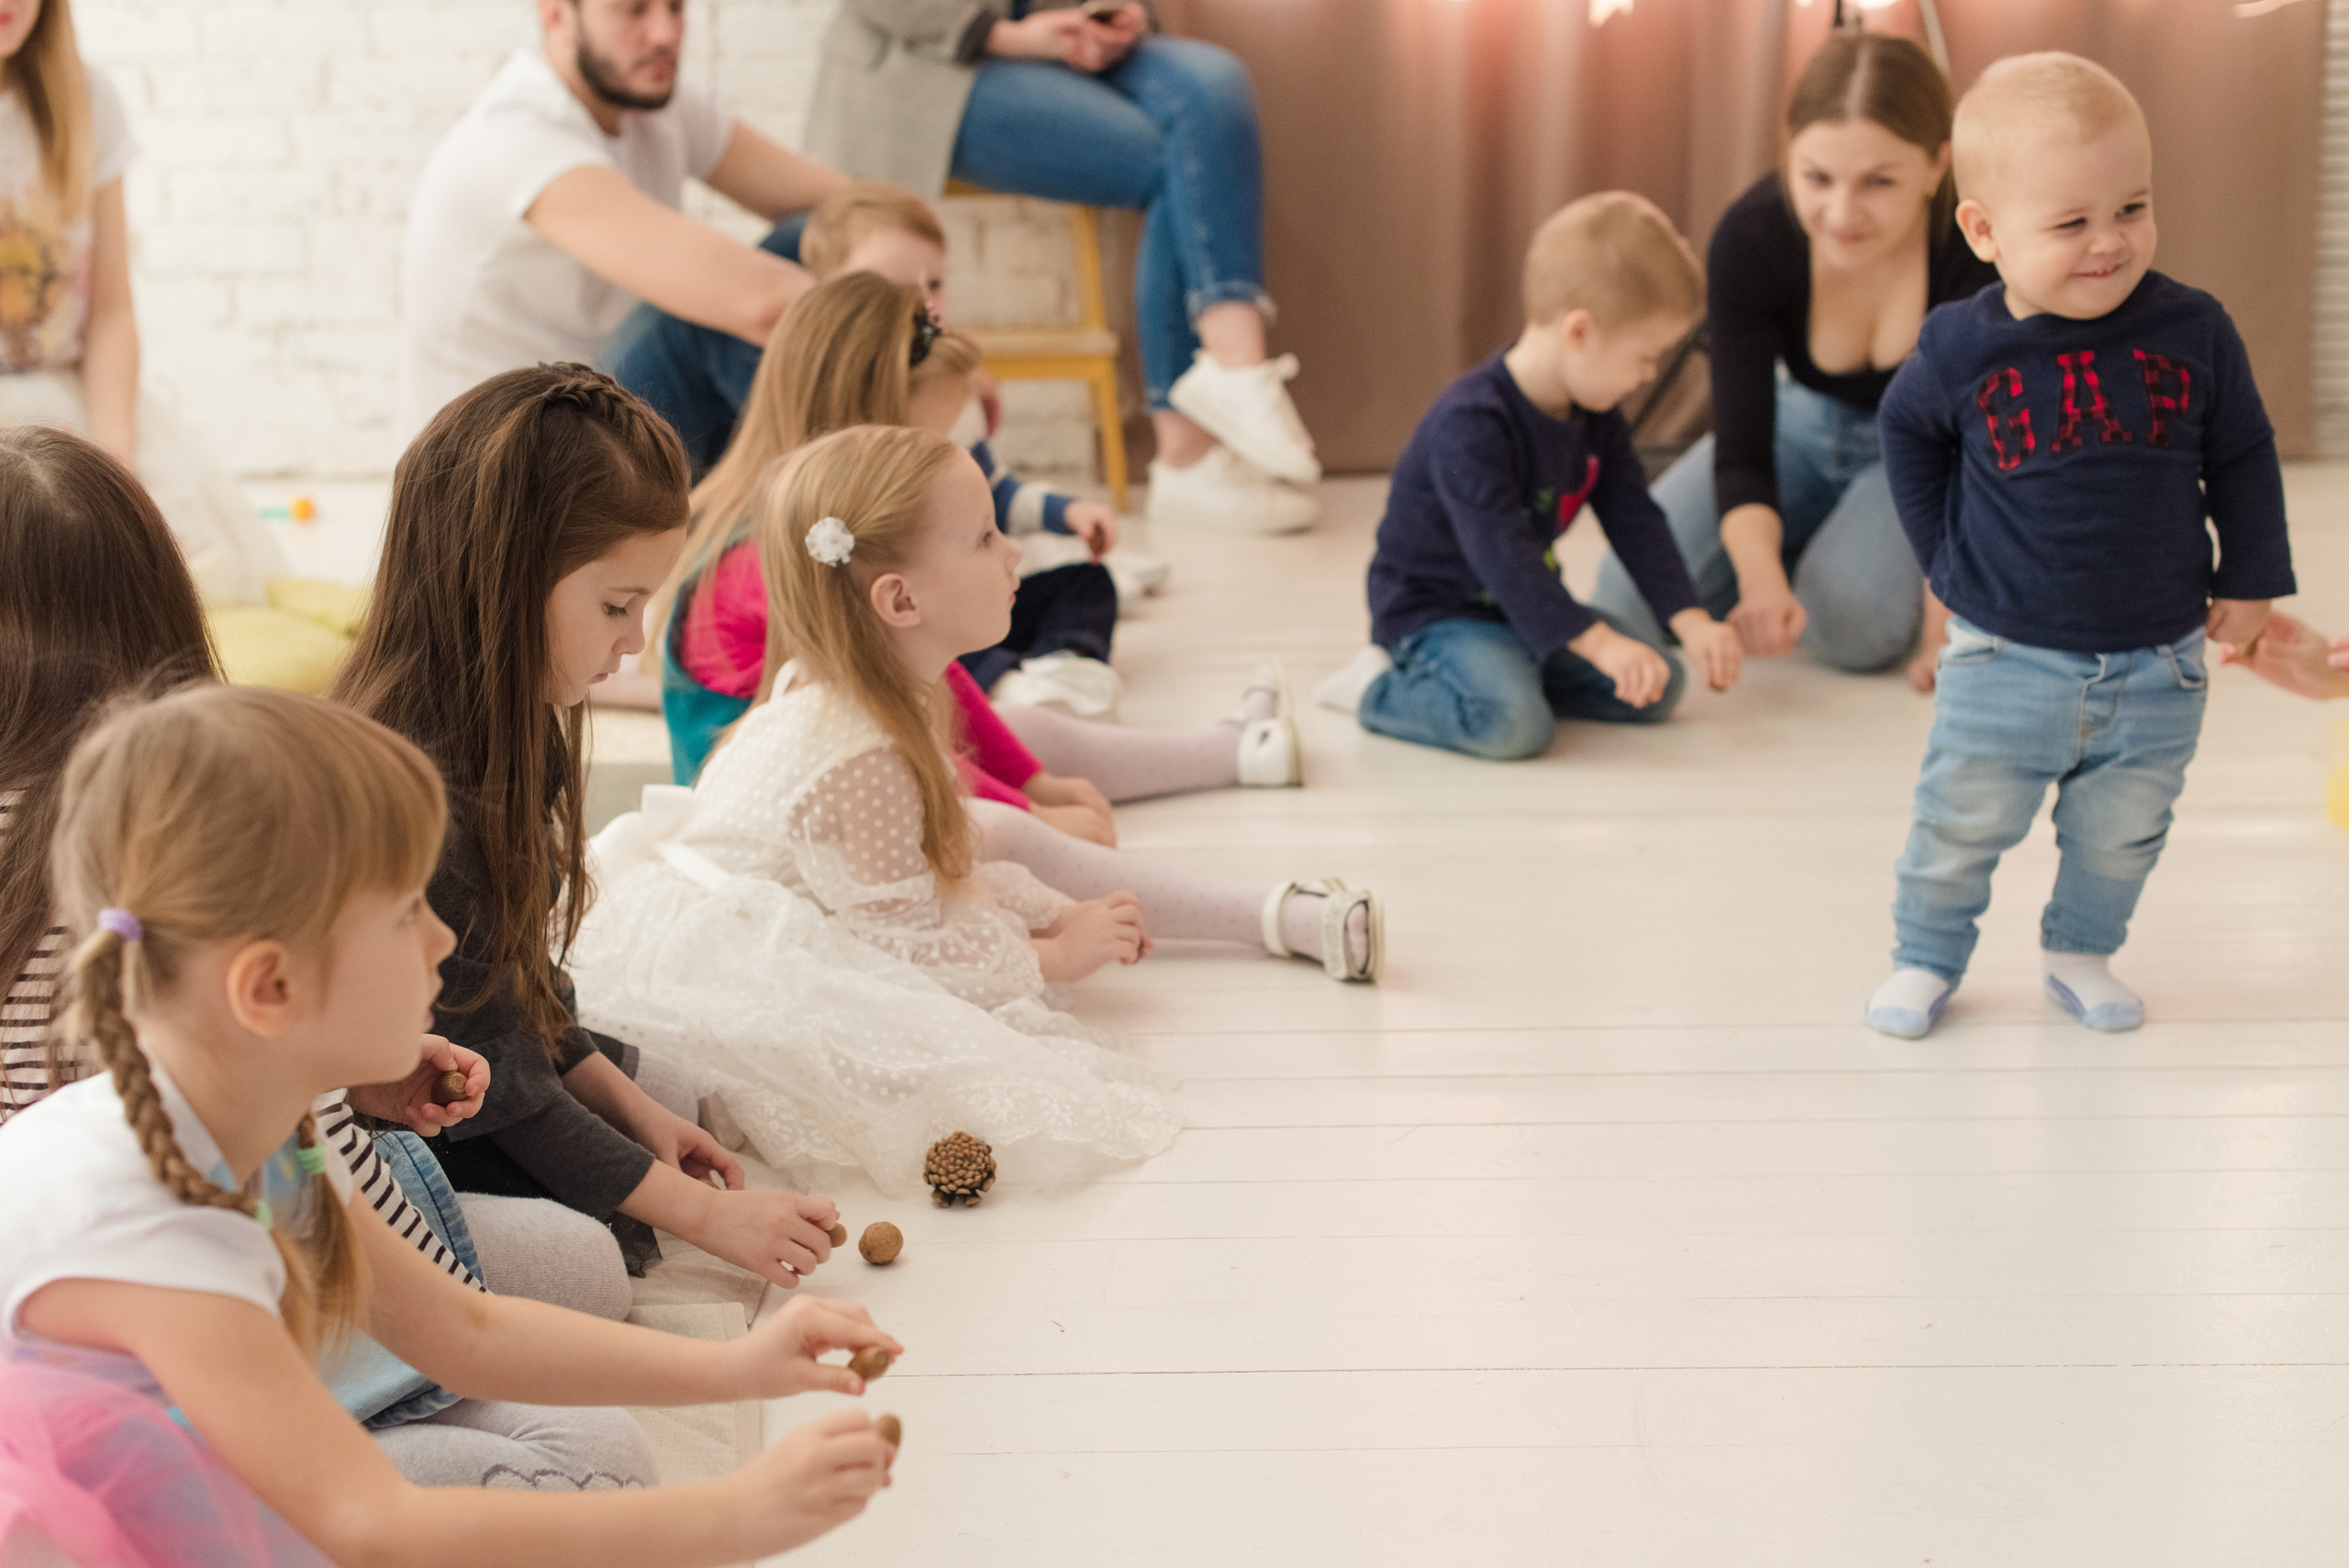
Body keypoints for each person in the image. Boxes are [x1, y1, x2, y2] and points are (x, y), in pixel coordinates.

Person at [0, 683, 899, 1564]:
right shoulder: (157, 1230)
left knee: (597, 1458)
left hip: (184, 1468)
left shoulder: (268, 1121)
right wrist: (732, 1519)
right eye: (404, 911)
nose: (442, 938)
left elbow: (465, 1330)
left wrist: (741, 1367)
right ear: (270, 987)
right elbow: (367, 1521)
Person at [333, 365, 843, 1296]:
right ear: (503, 577)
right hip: (397, 1113)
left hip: (475, 1060)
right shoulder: (418, 787)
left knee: (670, 1095)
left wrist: (627, 1105)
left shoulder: (515, 720)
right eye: (615, 606)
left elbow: (519, 989)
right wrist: (707, 1219)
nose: (635, 639)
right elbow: (491, 1078)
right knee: (588, 1270)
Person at [1862, 53, 2295, 1040]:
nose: (2110, 241)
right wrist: (1941, 558)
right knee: (1959, 822)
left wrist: (2254, 577)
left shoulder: (2194, 329)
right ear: (1985, 231)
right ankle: (1925, 955)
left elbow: (2242, 452)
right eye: (2070, 223)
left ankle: (2080, 950)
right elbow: (1906, 432)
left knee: (2123, 832)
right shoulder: (1960, 346)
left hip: (2158, 658)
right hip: (2005, 655)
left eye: (2132, 207)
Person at [617, 0, 1320, 536]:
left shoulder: (680, 108)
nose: (665, 31)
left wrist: (1112, 16)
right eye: (636, 10)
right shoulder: (569, 139)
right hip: (941, 53)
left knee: (1215, 84)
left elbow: (995, 488)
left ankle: (1233, 368)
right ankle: (1191, 439)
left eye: (934, 286)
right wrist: (1010, 35)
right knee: (1185, 160)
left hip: (1061, 41)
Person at [662, 271, 1303, 812]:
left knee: (1017, 730)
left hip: (859, 770)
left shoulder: (823, 531)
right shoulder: (778, 560)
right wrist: (1033, 812)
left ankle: (1233, 748)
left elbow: (932, 689)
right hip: (795, 808)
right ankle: (1233, 753)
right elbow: (895, 743)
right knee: (1006, 817)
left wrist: (1035, 784)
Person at [1588, 32, 2000, 685]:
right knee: (1625, 596)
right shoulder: (1752, 237)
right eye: (1816, 177)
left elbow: (1977, 458)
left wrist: (1942, 631)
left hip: (1921, 457)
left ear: (1935, 165)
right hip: (1794, 431)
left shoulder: (1976, 253)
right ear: (1787, 156)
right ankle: (1800, 542)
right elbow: (1743, 451)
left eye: (1878, 181)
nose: (1841, 212)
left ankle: (1822, 547)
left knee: (1850, 626)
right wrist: (1759, 581)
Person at [1314, 193, 1744, 762]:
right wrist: (1597, 644)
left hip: (1523, 610)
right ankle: (1374, 689)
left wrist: (1690, 620)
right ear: (1579, 332)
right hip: (1439, 615)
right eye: (1645, 356)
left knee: (1659, 684)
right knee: (1514, 726)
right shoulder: (1470, 426)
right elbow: (1505, 556)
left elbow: (1634, 518)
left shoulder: (1596, 416)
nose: (1647, 376)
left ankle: (1515, 671)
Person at [395, 0, 845, 444]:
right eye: (634, 9)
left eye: (675, 7)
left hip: (594, 410)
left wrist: (882, 254)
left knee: (813, 235)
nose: (666, 33)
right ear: (556, 15)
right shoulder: (518, 138)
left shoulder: (652, 100)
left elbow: (843, 203)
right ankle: (851, 474)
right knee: (710, 321)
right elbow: (762, 304)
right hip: (509, 460)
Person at [0, 0, 294, 616]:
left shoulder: (86, 99)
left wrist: (115, 457)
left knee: (193, 562)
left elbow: (110, 311)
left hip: (73, 390)